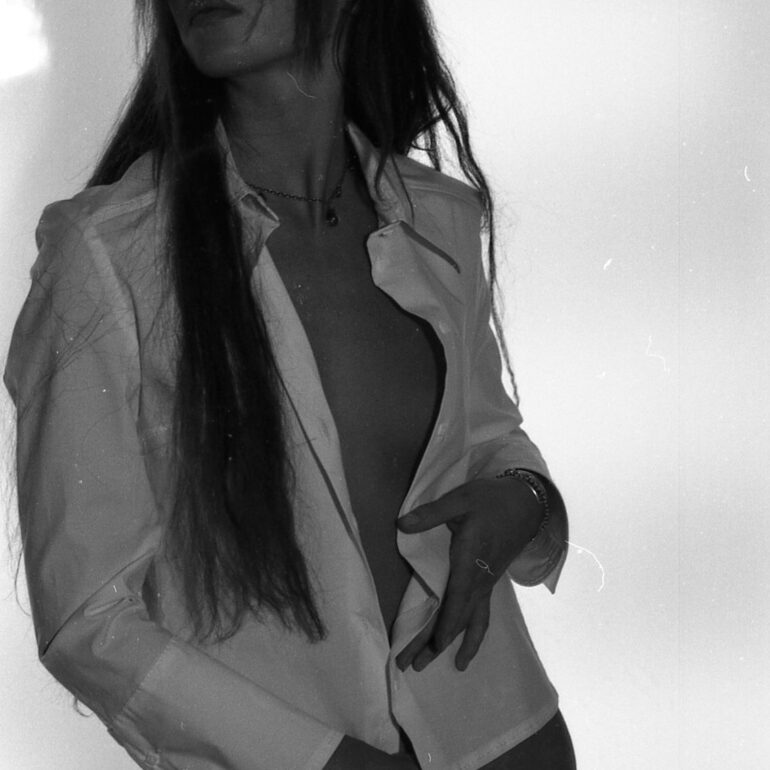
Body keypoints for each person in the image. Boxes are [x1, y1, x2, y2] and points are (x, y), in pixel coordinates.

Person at [5, 1, 577, 768]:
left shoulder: (440, 217)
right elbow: (87, 616)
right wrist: (315, 761)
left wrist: (528, 499)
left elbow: (492, 439)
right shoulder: (107, 255)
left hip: (511, 738)